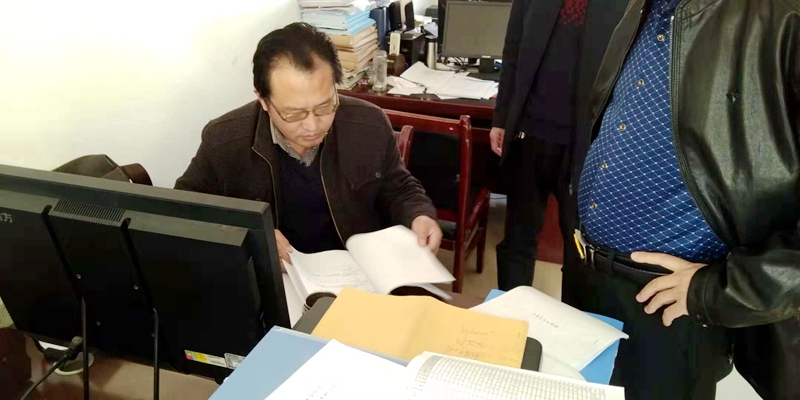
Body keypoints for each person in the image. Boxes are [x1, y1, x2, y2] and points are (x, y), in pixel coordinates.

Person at [572, 0, 800, 398]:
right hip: (590, 280)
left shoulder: (784, 14)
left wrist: (720, 291)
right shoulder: (646, 7)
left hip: (673, 307)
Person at [176, 23, 442, 263]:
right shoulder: (224, 139)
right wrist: (246, 232)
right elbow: (182, 211)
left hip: (357, 270)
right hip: (273, 276)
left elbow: (399, 188)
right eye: (293, 114)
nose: (313, 126)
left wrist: (419, 214)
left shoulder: (369, 123)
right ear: (263, 100)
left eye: (325, 106)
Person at [489, 0, 628, 300]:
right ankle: (510, 316)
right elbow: (512, 52)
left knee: (578, 249)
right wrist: (501, 119)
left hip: (587, 146)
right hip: (529, 135)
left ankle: (573, 323)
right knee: (518, 239)